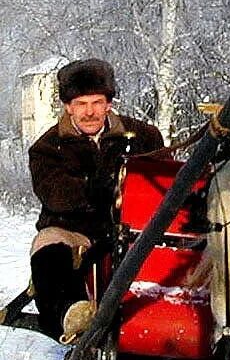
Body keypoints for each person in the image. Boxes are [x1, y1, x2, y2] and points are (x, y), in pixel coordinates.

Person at [28, 58, 164, 342]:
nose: (89, 112)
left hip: (135, 232)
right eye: (81, 103)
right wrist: (95, 187)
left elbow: (164, 186)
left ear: (109, 103)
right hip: (78, 233)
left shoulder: (145, 137)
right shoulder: (47, 148)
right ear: (67, 106)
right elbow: (55, 195)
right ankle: (69, 315)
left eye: (97, 102)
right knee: (47, 242)